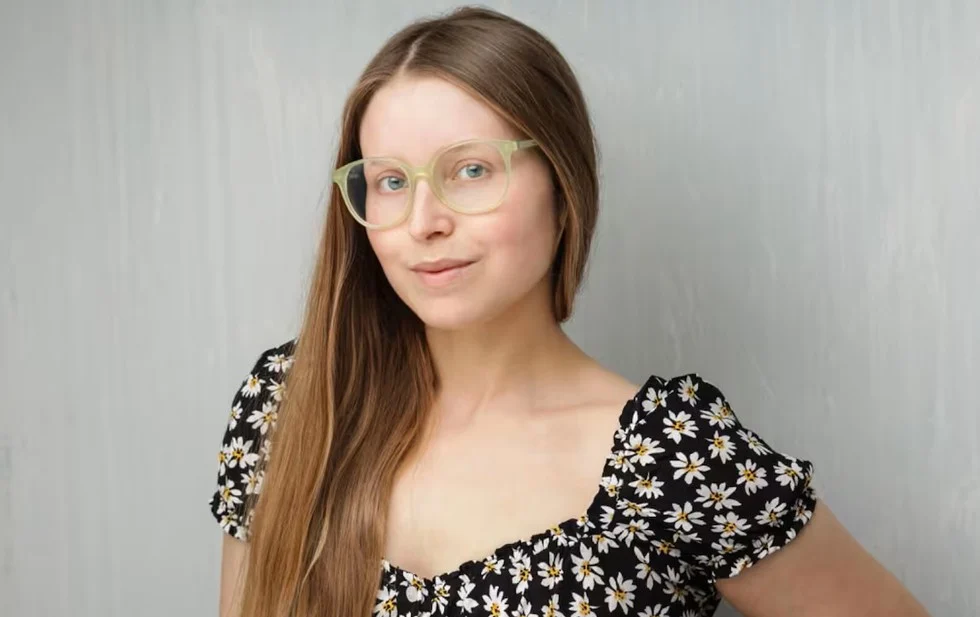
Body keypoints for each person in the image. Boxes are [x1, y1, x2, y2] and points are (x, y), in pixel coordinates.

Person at [208, 6, 929, 617]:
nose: (423, 221)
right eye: (391, 181)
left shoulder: (673, 459)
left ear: (563, 189)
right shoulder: (291, 402)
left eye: (470, 170)